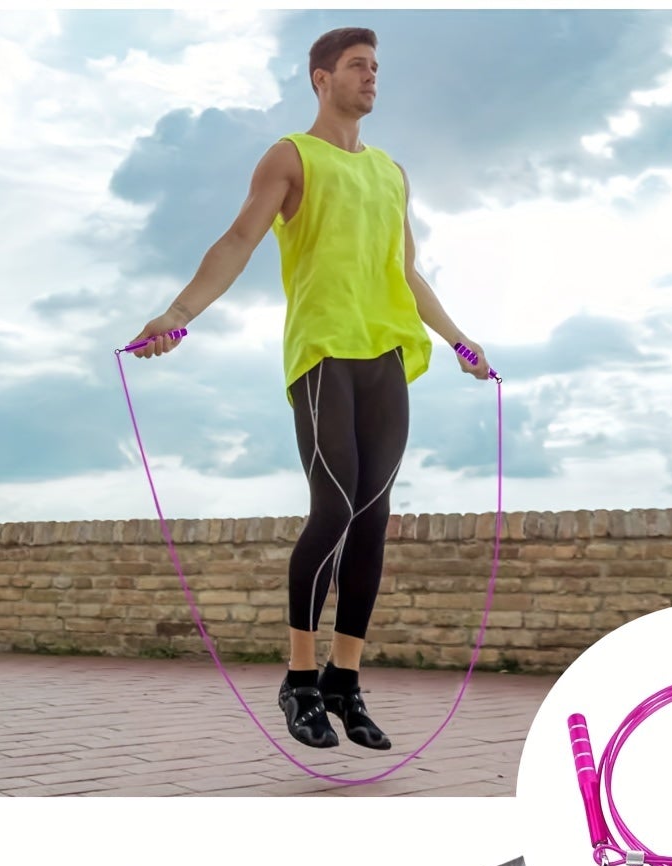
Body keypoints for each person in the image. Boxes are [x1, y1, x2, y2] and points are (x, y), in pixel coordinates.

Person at [126, 26, 491, 752]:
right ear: (322, 78)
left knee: (374, 518)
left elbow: (406, 271)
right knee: (334, 509)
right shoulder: (291, 156)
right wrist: (177, 313)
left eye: (376, 66)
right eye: (358, 65)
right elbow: (238, 240)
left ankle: (344, 682)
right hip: (323, 355)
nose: (372, 76)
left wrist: (458, 338)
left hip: (388, 354)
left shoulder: (391, 172)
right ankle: (299, 680)